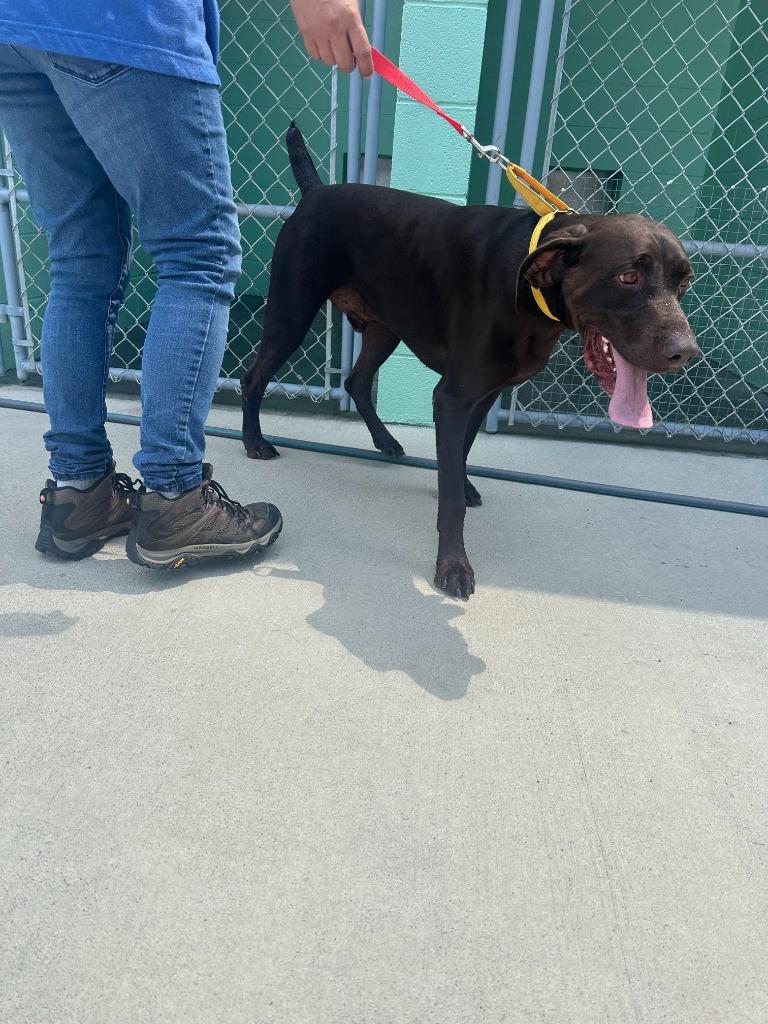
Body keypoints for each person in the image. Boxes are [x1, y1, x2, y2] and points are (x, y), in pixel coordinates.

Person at [0, 0, 372, 569]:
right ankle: (174, 498)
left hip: (14, 29)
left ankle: (78, 496)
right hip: (119, 21)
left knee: (79, 258)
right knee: (197, 254)